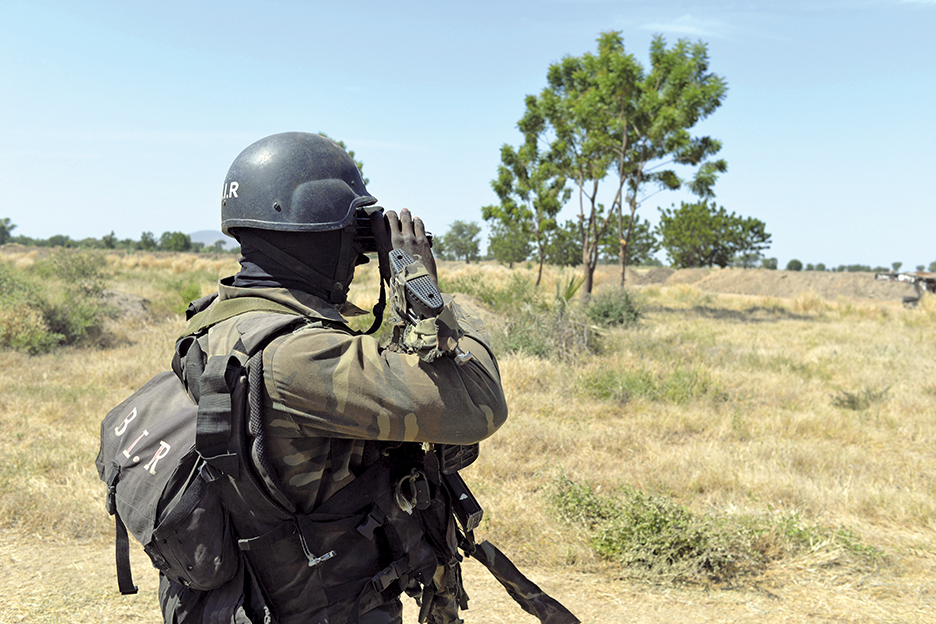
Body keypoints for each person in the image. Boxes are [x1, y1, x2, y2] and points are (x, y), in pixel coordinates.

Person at [159, 132, 508, 624]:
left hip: (268, 594)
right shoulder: (299, 356)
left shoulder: (223, 323)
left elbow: (379, 365)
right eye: (352, 235)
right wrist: (427, 289)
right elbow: (476, 402)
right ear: (314, 236)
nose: (361, 255)